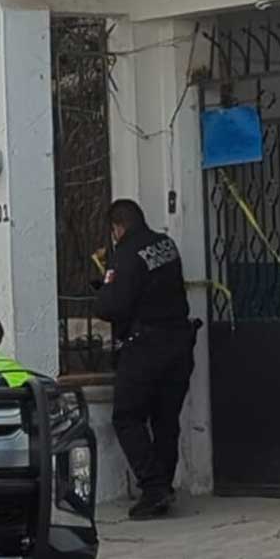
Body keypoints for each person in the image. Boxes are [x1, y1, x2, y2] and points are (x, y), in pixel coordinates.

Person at [93, 200, 197, 520]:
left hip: (145, 348)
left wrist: (103, 291)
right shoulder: (166, 244)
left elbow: (112, 308)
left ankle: (153, 489)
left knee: (127, 417)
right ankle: (163, 486)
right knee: (166, 419)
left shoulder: (124, 253)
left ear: (116, 228)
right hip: (179, 343)